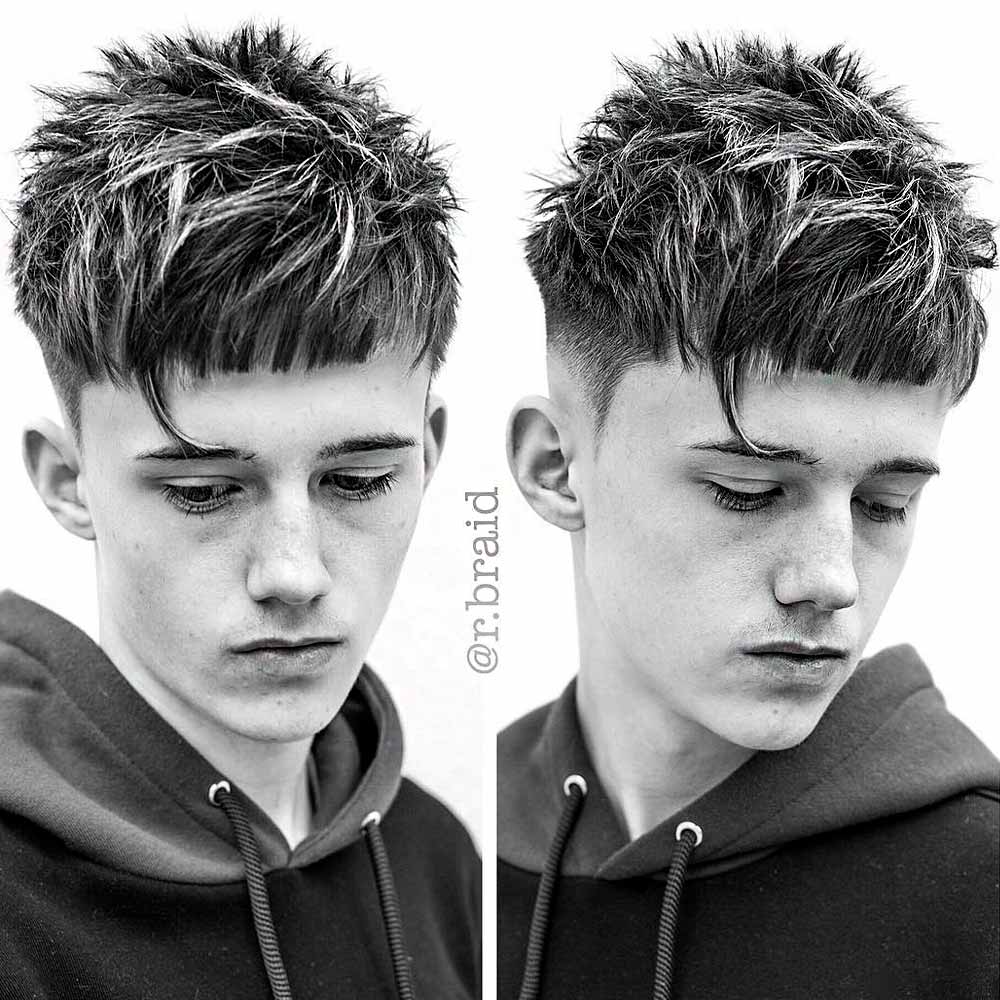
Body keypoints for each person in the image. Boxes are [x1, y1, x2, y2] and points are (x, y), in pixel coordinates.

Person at [498, 36, 999, 1000]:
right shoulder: (460, 854)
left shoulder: (977, 894)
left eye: (884, 504)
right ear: (557, 467)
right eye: (749, 490)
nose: (832, 580)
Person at [0, 24, 479, 1000]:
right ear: (65, 479)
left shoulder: (443, 865)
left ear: (428, 456)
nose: (294, 572)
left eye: (356, 481)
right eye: (204, 490)